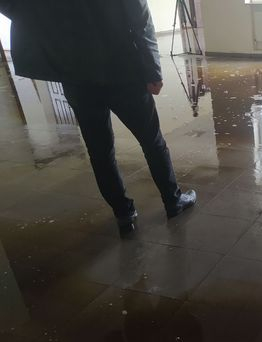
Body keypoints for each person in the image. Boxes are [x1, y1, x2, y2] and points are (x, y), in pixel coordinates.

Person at [0, 0, 196, 235]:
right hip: (124, 73)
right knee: (152, 142)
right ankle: (173, 202)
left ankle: (123, 214)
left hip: (77, 76)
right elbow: (141, 22)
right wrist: (153, 71)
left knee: (100, 152)